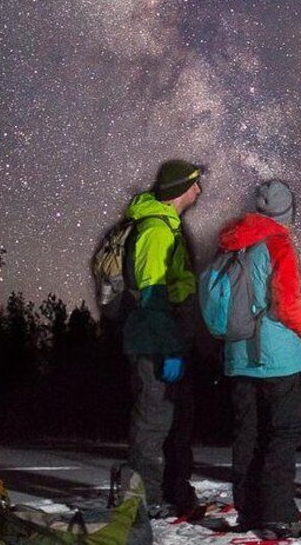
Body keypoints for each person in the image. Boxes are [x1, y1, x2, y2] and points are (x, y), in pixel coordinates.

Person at [216, 179, 301, 539]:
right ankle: (278, 514)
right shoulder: (278, 242)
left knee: (247, 434)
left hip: (238, 354)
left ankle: (249, 510)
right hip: (278, 358)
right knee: (282, 434)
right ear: (286, 213)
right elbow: (287, 303)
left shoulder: (231, 240)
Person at [122, 159, 202, 518]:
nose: (199, 190)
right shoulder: (156, 231)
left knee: (173, 418)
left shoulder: (169, 226)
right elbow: (152, 296)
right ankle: (141, 498)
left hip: (169, 339)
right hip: (155, 343)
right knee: (152, 420)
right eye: (194, 184)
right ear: (178, 192)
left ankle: (169, 490)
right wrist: (169, 349)